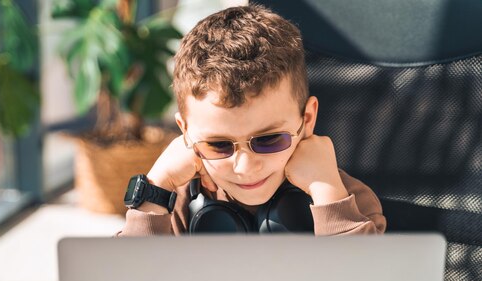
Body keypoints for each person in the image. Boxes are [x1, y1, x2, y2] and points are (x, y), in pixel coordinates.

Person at [118, 4, 386, 236]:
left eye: (268, 139)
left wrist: (327, 195)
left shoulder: (348, 200)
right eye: (218, 145)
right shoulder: (180, 204)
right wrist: (156, 188)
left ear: (307, 118)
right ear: (185, 133)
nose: (245, 167)